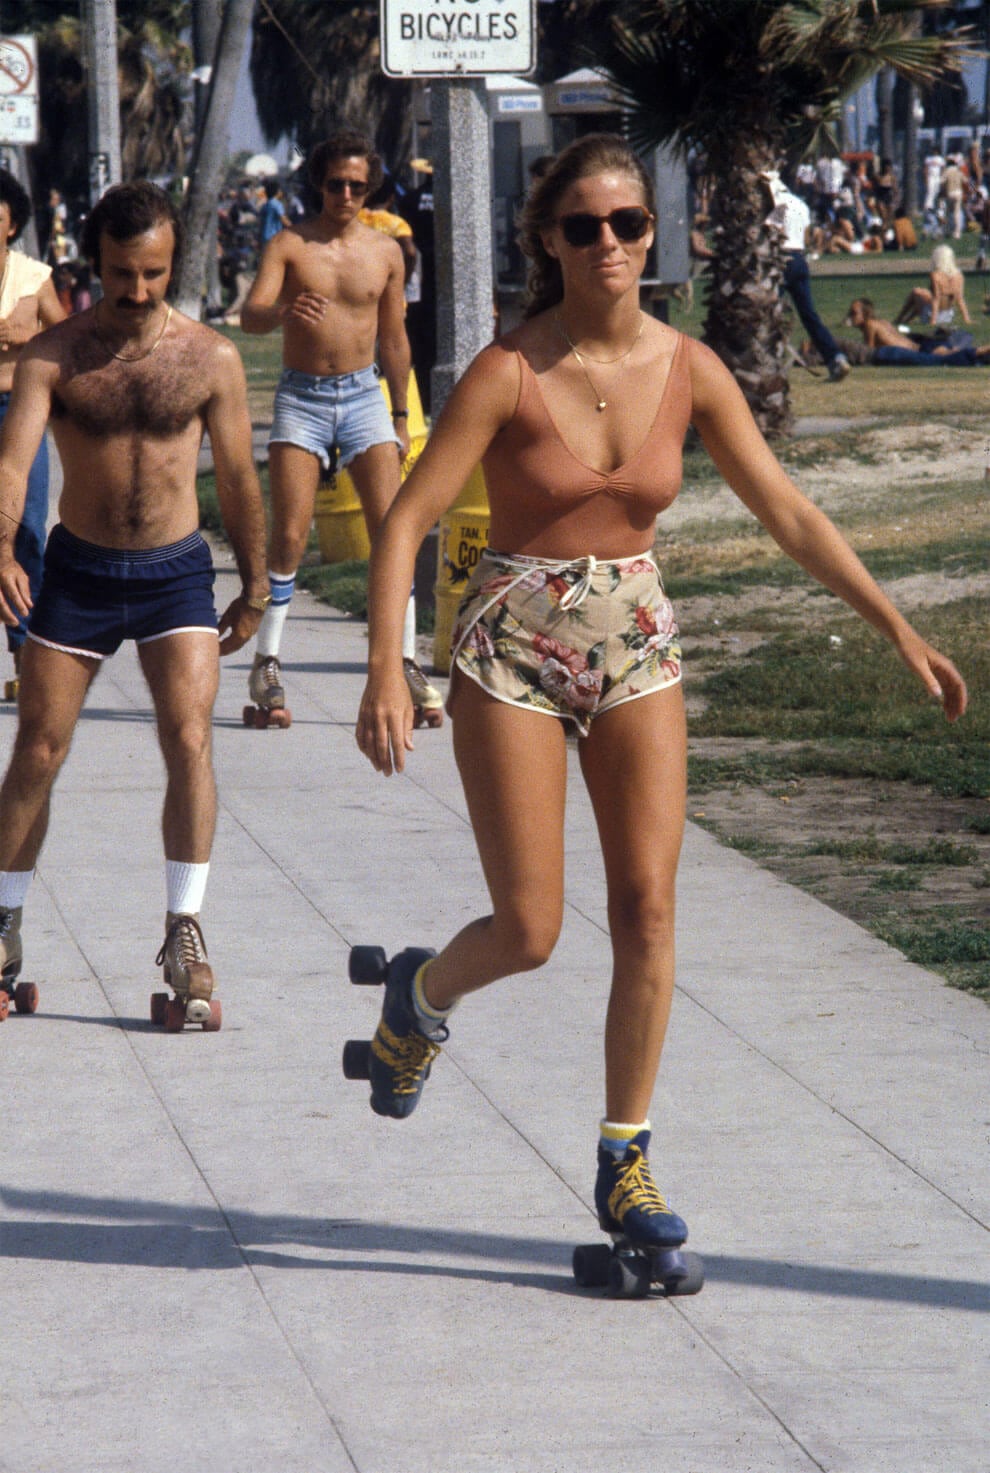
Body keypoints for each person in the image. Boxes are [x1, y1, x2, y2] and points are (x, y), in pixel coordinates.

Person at [352, 135, 967, 1254]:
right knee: (532, 928)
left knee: (648, 908)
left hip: (636, 643)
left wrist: (900, 632)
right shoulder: (509, 372)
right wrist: (388, 666)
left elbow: (789, 512)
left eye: (628, 224)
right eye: (583, 226)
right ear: (549, 239)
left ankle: (625, 1156)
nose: (609, 245)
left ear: (655, 237)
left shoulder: (692, 369)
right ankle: (421, 996)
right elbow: (407, 520)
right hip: (514, 651)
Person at [0, 181, 269, 1025]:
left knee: (189, 738)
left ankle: (184, 927)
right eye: (123, 274)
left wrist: (257, 583)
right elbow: (12, 465)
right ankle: (3, 926)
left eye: (154, 273)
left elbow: (234, 477)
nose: (139, 292)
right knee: (38, 750)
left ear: (172, 260)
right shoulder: (54, 355)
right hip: (77, 573)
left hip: (176, 573)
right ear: (94, 263)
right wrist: (2, 545)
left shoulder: (211, 359)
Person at [240, 130, 442, 726]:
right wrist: (280, 312)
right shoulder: (290, 245)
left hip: (364, 396)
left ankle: (403, 660)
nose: (346, 194)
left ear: (370, 185)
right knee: (292, 536)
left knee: (394, 529)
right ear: (319, 184)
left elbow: (395, 338)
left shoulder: (385, 252)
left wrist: (402, 415)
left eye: (357, 184)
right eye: (335, 184)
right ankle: (268, 660)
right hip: (301, 397)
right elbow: (249, 317)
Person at [0, 169, 66, 699]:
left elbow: (69, 339)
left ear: (12, 224)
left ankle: (27, 648)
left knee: (27, 531)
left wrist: (31, 335)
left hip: (22, 411)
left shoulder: (33, 276)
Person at [763, 169, 851, 382]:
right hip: (800, 259)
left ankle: (766, 362)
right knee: (809, 315)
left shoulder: (778, 204)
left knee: (766, 313)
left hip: (781, 260)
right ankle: (835, 357)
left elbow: (771, 232)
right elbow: (805, 233)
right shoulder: (799, 204)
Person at [845, 296, 990, 366]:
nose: (850, 316)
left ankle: (984, 350)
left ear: (865, 314)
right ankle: (982, 353)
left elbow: (868, 353)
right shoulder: (881, 322)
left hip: (921, 351)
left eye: (853, 313)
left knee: (949, 357)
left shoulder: (870, 326)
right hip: (923, 346)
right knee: (952, 354)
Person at [895, 243, 971, 328]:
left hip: (933, 316)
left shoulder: (935, 275)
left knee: (915, 294)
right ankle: (905, 320)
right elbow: (960, 299)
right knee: (921, 293)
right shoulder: (959, 276)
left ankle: (899, 319)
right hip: (948, 316)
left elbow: (936, 299)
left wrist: (933, 321)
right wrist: (967, 319)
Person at [257, 178, 286, 246]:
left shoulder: (265, 205)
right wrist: (294, 228)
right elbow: (283, 219)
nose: (281, 192)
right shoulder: (277, 204)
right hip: (274, 237)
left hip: (264, 237)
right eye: (280, 190)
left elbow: (261, 222)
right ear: (277, 192)